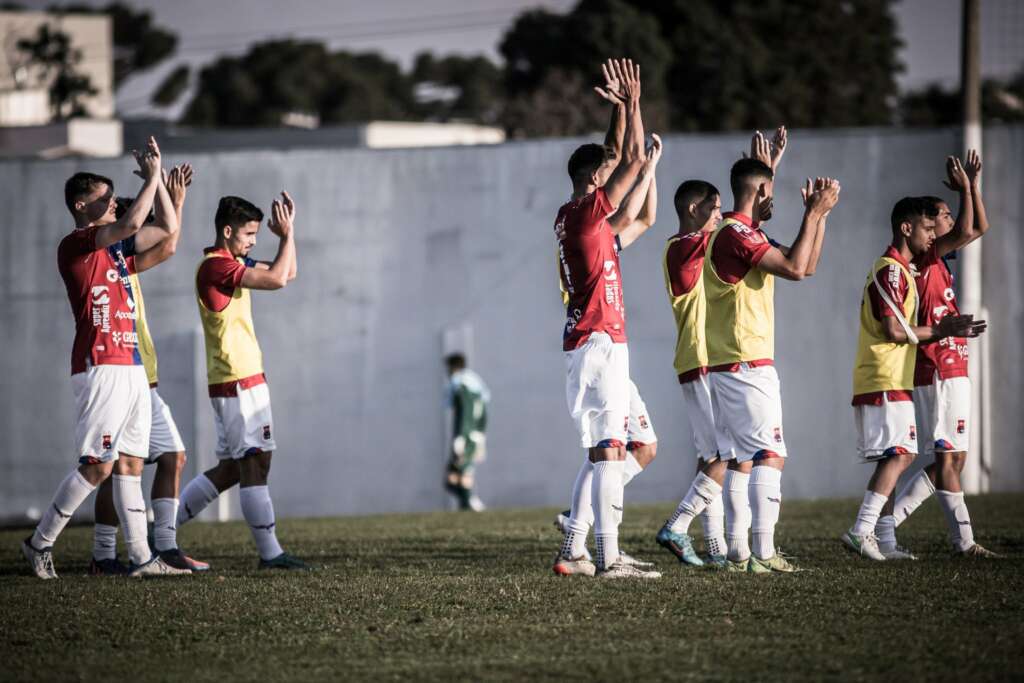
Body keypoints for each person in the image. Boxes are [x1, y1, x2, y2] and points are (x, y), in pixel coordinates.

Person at [22, 137, 189, 578]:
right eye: (105, 198)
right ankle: (39, 543)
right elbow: (133, 222)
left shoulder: (116, 252)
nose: (114, 202)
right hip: (100, 364)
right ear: (81, 206)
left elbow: (165, 231)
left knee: (130, 465)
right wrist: (151, 180)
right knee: (98, 466)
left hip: (131, 364)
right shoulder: (77, 244)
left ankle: (142, 559)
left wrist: (161, 184)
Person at [704, 141, 839, 573]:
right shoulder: (736, 234)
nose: (773, 196)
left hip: (734, 362)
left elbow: (805, 265)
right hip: (746, 360)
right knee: (770, 453)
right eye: (770, 187)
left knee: (742, 460)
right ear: (761, 190)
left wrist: (820, 217)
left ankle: (739, 553)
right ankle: (763, 552)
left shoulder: (743, 233)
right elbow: (795, 268)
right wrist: (812, 214)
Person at [655, 129, 787, 568]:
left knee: (719, 455)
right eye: (713, 210)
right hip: (702, 358)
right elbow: (736, 231)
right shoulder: (684, 246)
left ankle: (715, 548)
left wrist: (764, 179)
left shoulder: (704, 240)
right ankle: (678, 525)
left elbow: (741, 229)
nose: (719, 217)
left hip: (704, 360)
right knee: (721, 456)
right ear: (693, 210)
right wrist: (752, 196)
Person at [550, 58, 661, 579]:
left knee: (621, 447)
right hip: (597, 343)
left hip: (603, 342)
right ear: (596, 181)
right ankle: (608, 557)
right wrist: (633, 103)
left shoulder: (583, 219)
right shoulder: (587, 214)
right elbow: (628, 157)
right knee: (608, 449)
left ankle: (575, 549)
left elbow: (629, 178)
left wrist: (620, 112)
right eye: (606, 175)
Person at [842, 185, 986, 561]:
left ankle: (886, 541)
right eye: (928, 228)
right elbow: (893, 330)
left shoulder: (902, 269)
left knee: (897, 455)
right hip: (885, 375)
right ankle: (861, 530)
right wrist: (941, 330)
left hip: (896, 376)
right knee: (901, 456)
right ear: (907, 229)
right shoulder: (891, 269)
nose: (933, 236)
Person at [174, 192, 309, 570]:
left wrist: (288, 236)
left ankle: (161, 533)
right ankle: (271, 554)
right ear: (228, 231)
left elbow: (288, 272)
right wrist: (286, 235)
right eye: (249, 234)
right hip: (237, 379)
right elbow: (278, 279)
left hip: (238, 378)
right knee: (255, 462)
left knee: (233, 469)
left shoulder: (231, 262)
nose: (253, 241)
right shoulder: (216, 266)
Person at [88, 165, 211, 575]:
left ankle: (164, 546)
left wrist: (175, 202)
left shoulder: (126, 264)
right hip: (123, 373)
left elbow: (167, 240)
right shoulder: (114, 258)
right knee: (115, 468)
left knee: (171, 455)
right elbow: (167, 244)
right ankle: (104, 553)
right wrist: (163, 190)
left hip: (144, 378)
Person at [888, 151, 999, 558]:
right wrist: (967, 187)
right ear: (924, 227)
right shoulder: (924, 255)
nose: (950, 221)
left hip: (952, 362)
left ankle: (886, 524)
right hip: (936, 364)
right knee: (948, 459)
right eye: (942, 216)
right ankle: (964, 542)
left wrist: (972, 189)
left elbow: (978, 227)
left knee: (954, 460)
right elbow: (971, 228)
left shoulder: (937, 257)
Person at [444, 353, 491, 511]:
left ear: (453, 367)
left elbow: (466, 412)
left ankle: (471, 502)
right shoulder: (474, 381)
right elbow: (483, 413)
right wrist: (481, 433)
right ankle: (468, 503)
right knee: (452, 478)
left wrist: (461, 437)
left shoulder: (461, 385)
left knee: (462, 471)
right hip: (474, 434)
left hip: (467, 435)